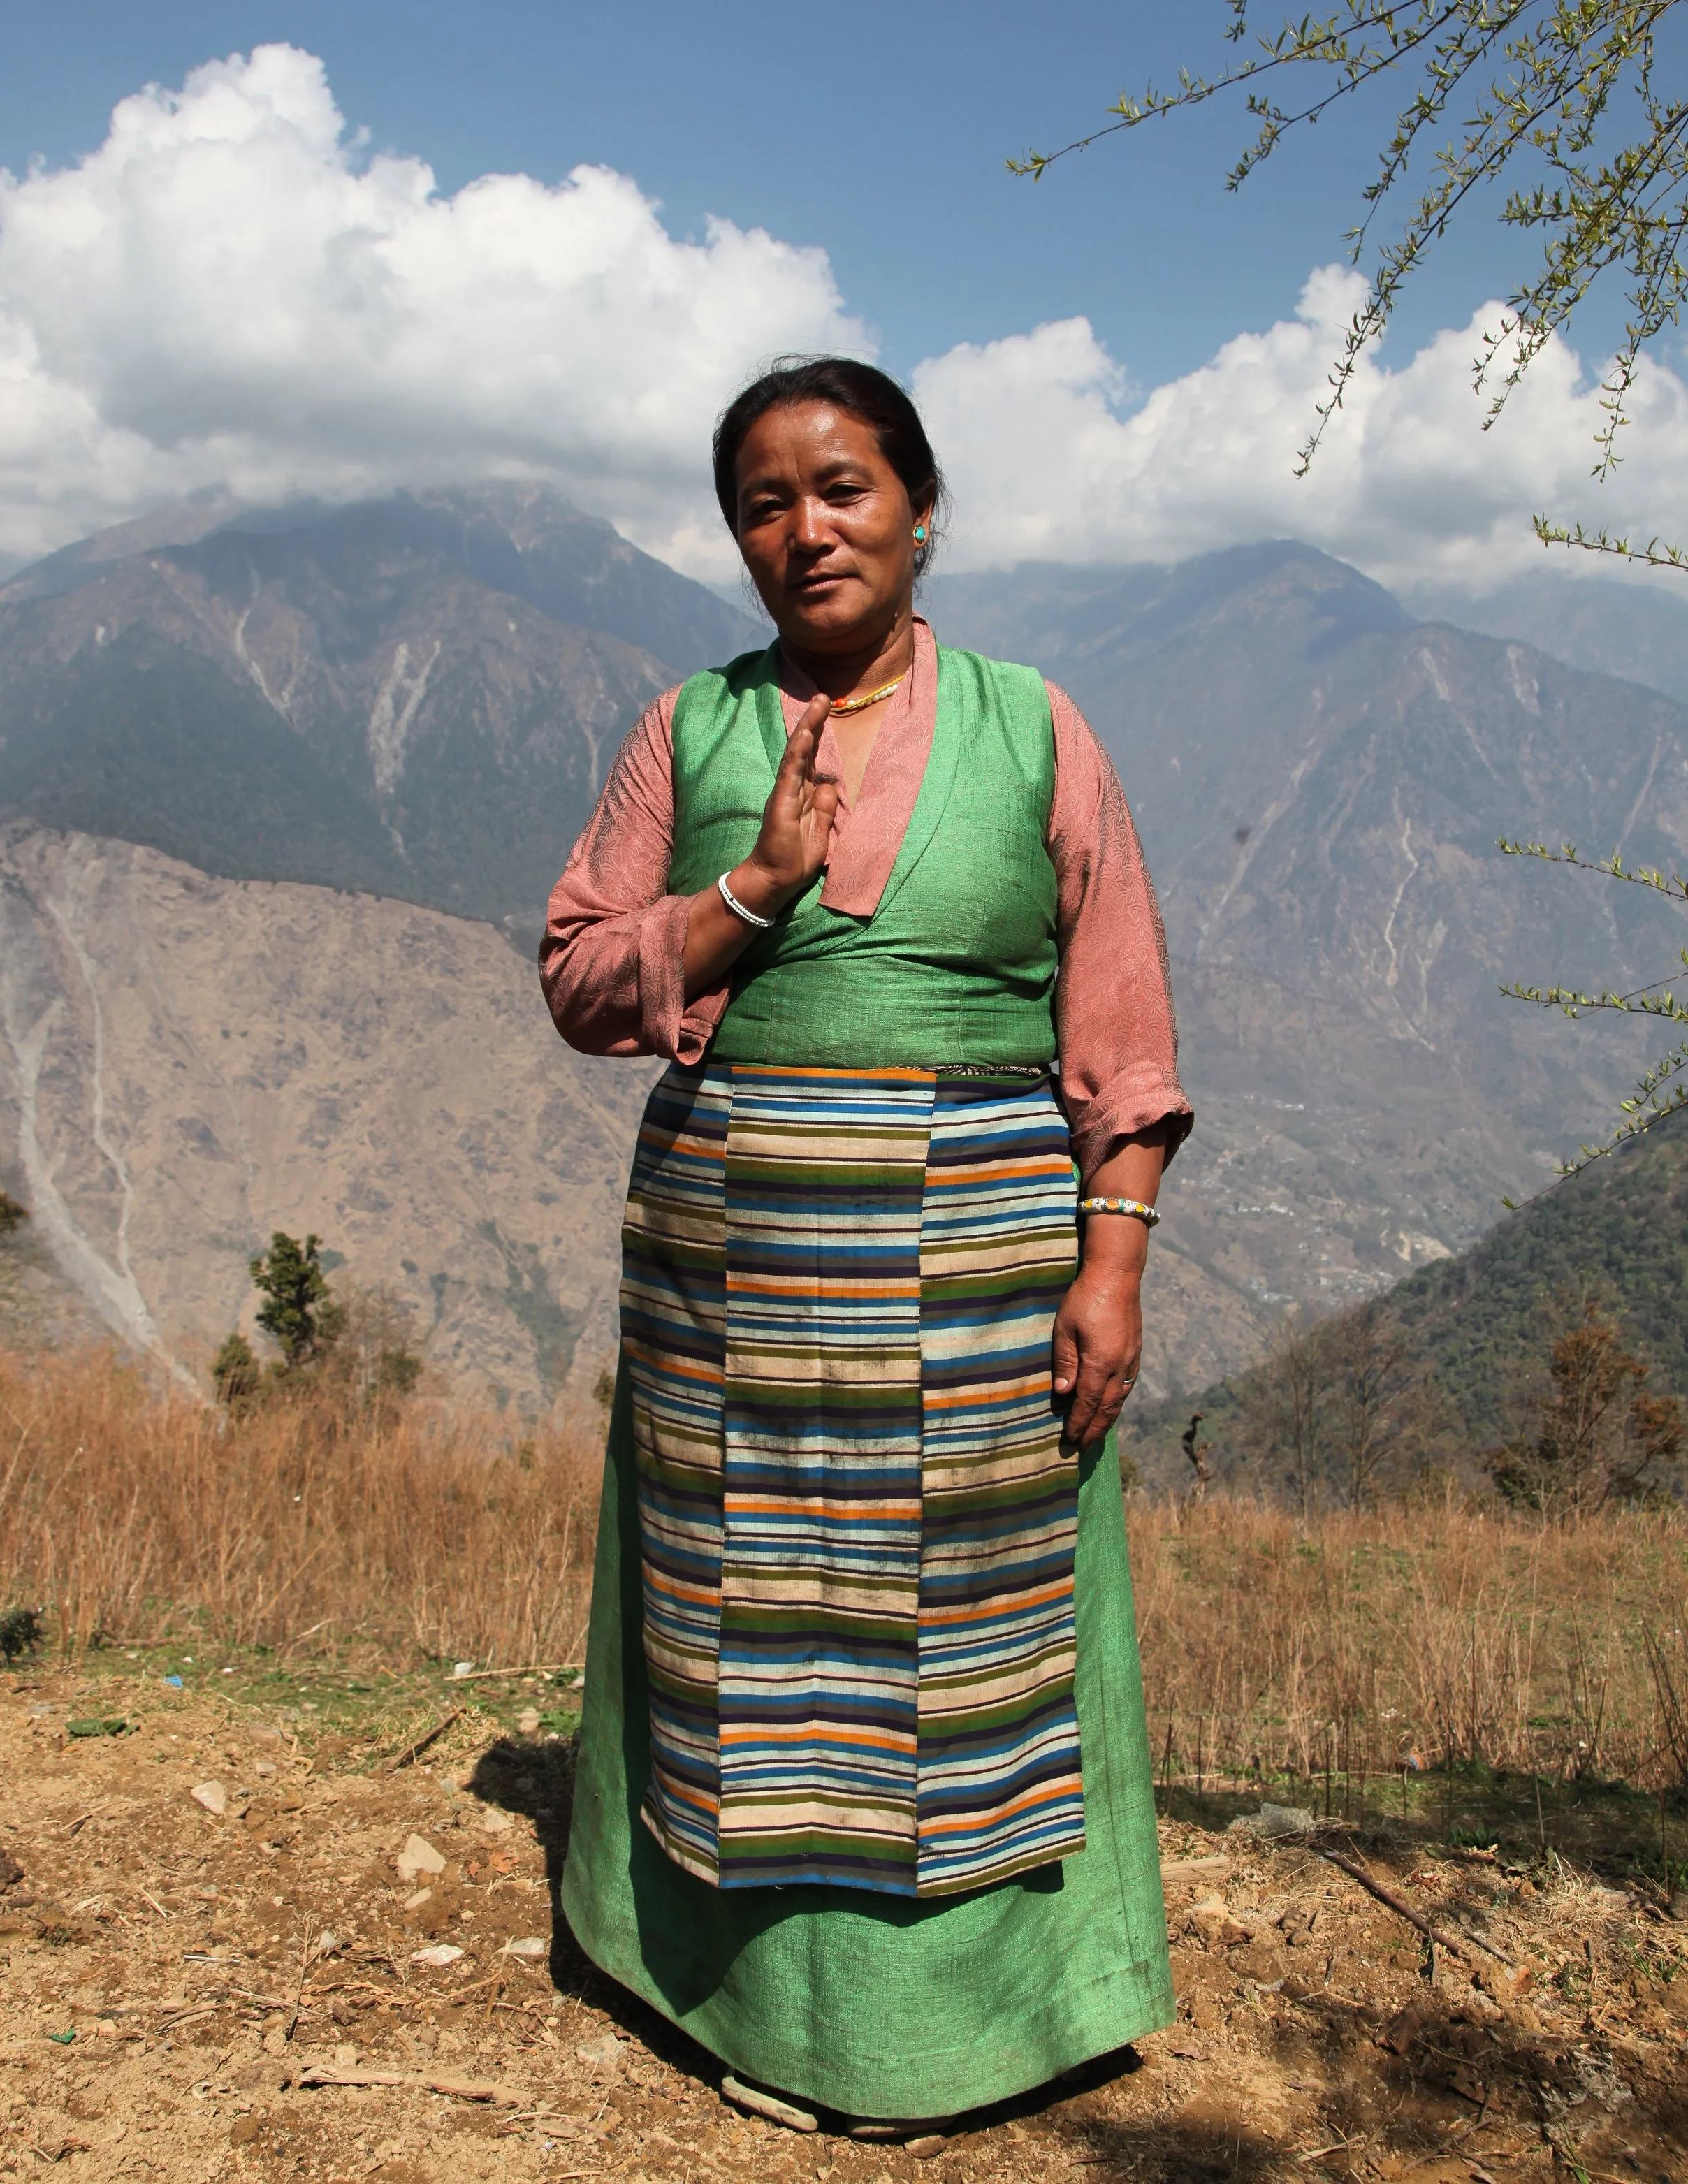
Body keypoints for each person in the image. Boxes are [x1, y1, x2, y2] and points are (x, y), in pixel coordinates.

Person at [539, 356, 1191, 2130]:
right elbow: (578, 977)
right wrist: (744, 894)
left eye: (841, 488)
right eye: (763, 503)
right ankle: (740, 1999)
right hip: (730, 1260)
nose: (804, 529)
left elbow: (1118, 1023)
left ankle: (974, 2022)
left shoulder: (1031, 727)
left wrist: (1112, 1260)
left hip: (982, 1258)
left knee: (968, 1623)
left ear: (917, 510)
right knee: (742, 1614)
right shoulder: (690, 730)